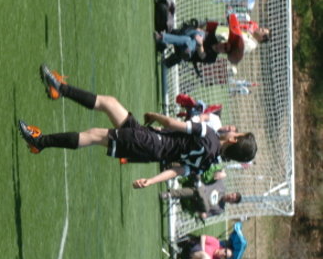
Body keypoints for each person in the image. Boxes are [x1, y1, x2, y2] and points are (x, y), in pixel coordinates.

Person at [17, 65, 257, 189]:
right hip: (150, 143)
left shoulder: (209, 134)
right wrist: (152, 181)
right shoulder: (209, 162)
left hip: (149, 141)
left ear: (234, 140)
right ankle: (61, 89)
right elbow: (178, 171)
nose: (234, 131)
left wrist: (155, 115)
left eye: (238, 133)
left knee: (94, 135)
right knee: (110, 103)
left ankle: (39, 141)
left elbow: (174, 124)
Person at [158, 14, 246, 66]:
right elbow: (203, 28)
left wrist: (200, 45)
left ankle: (162, 37)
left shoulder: (212, 58)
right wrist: (199, 30)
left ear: (224, 53)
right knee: (198, 35)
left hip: (186, 52)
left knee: (188, 40)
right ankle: (163, 38)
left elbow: (202, 56)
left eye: (225, 48)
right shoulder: (213, 37)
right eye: (225, 44)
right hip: (187, 35)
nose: (223, 46)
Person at [161, 178, 242, 219]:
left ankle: (170, 194)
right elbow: (214, 174)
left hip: (199, 205)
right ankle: (169, 194)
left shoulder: (220, 209)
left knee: (205, 206)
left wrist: (203, 215)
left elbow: (206, 215)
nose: (230, 197)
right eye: (232, 195)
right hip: (200, 190)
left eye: (232, 199)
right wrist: (221, 172)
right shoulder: (221, 185)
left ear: (231, 203)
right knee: (195, 191)